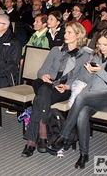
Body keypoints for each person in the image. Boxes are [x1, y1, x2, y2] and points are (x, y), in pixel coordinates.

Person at [48, 28, 107, 169]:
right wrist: (90, 71)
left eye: (105, 44)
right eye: (99, 44)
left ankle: (64, 135)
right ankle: (84, 154)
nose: (101, 48)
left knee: (82, 96)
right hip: (92, 95)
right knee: (82, 114)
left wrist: (100, 71)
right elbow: (85, 79)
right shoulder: (96, 56)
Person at [20, 22, 90, 158]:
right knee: (44, 89)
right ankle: (42, 135)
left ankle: (32, 141)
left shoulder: (84, 55)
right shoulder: (56, 50)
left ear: (78, 35)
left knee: (40, 99)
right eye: (65, 32)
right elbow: (41, 70)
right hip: (45, 83)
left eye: (70, 32)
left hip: (63, 88)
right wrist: (44, 75)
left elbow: (82, 78)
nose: (66, 35)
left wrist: (67, 86)